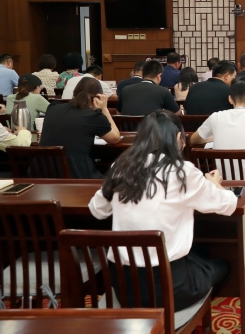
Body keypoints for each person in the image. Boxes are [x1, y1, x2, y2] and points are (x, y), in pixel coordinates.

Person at [89, 110, 235, 312]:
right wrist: (214, 183)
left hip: (125, 288)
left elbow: (97, 210)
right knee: (223, 266)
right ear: (179, 137)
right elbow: (228, 205)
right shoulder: (182, 171)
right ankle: (187, 317)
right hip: (171, 288)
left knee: (198, 252)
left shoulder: (120, 167)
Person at [40, 77, 120, 179]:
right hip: (78, 174)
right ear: (98, 98)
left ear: (74, 94)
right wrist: (104, 109)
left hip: (43, 172)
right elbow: (115, 138)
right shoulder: (94, 116)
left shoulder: (53, 108)